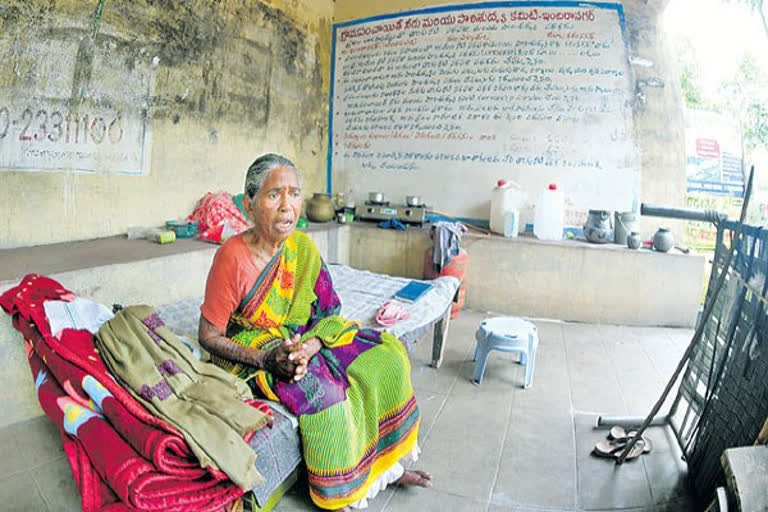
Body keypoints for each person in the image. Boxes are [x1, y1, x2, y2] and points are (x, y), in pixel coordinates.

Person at [198, 153, 431, 511]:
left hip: (303, 337)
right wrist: (266, 359)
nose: (287, 206)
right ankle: (342, 488)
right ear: (249, 204)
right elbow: (209, 337)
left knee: (386, 356)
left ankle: (385, 465)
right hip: (255, 344)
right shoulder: (232, 256)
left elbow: (328, 311)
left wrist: (311, 344)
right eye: (274, 194)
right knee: (324, 391)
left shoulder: (302, 248)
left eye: (294, 194)